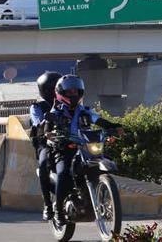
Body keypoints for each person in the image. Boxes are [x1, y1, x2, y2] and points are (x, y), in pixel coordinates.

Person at [44, 74, 123, 225]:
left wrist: (114, 127)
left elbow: (97, 120)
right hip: (64, 148)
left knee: (106, 161)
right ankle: (59, 212)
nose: (73, 94)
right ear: (61, 93)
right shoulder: (58, 110)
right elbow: (48, 121)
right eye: (69, 92)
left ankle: (102, 194)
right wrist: (49, 133)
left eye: (76, 91)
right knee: (62, 173)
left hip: (84, 147)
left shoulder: (84, 110)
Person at [28, 70, 62, 221]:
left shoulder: (68, 103)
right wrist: (45, 122)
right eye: (54, 88)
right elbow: (37, 124)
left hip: (66, 140)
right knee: (43, 164)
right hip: (45, 143)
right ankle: (48, 204)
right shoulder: (37, 107)